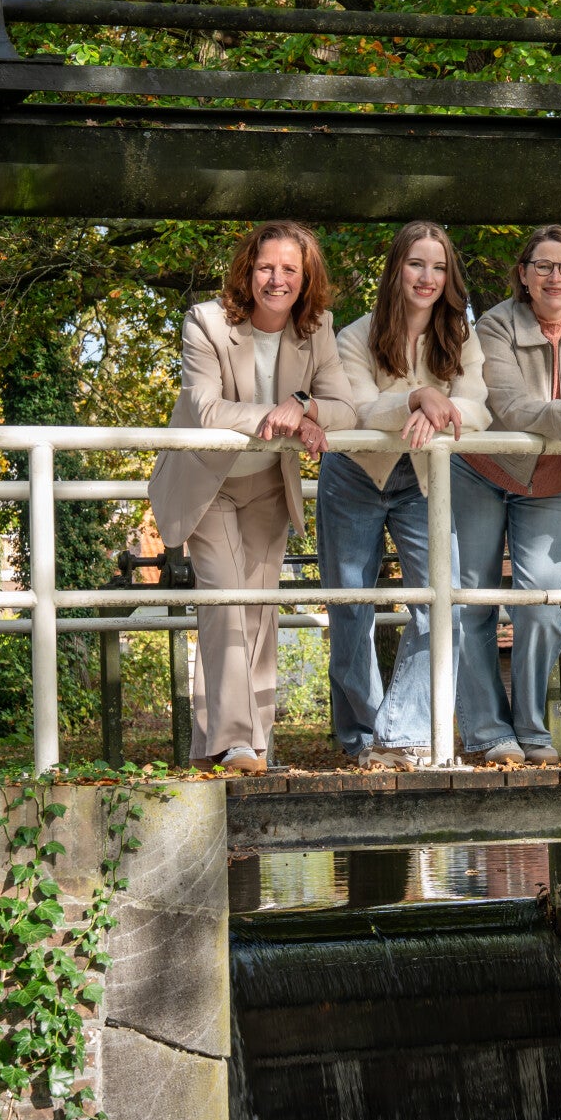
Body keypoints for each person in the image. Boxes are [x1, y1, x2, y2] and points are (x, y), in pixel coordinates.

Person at [149, 220, 357, 774]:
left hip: (267, 481)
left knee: (259, 610)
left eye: (290, 269)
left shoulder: (318, 328)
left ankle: (236, 745)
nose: (277, 279)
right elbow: (206, 409)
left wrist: (305, 406)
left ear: (306, 278)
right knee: (225, 602)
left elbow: (345, 408)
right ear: (248, 270)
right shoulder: (207, 322)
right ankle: (237, 742)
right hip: (207, 480)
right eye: (266, 267)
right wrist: (282, 416)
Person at [454, 225, 561, 765]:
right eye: (544, 267)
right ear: (524, 275)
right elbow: (509, 407)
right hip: (482, 470)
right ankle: (489, 733)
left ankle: (531, 730)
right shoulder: (494, 324)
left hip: (553, 479)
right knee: (471, 600)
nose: (556, 277)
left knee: (543, 606)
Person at [320, 221, 489, 770]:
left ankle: (400, 735)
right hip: (354, 476)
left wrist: (441, 409)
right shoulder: (355, 336)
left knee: (443, 603)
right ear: (397, 269)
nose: (427, 277)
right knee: (351, 609)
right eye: (417, 264)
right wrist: (418, 398)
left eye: (438, 267)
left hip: (423, 480)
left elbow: (480, 407)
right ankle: (361, 738)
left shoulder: (461, 336)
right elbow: (361, 410)